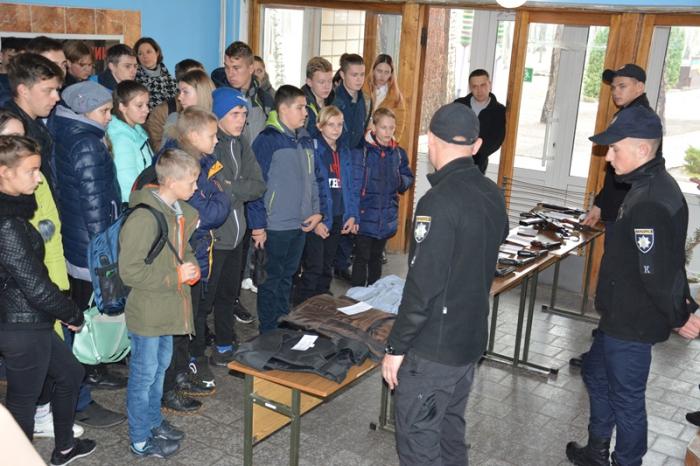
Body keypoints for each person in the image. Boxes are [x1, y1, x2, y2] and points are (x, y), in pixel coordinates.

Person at [565, 105, 700, 466]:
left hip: (633, 321)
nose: (608, 157)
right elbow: (669, 259)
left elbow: (657, 271)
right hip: (620, 315)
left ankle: (626, 461)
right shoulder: (648, 186)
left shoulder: (649, 200)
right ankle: (597, 450)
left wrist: (679, 314)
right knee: (595, 374)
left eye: (614, 149)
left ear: (642, 149)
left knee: (627, 400)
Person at [382, 103, 508, 466]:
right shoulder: (492, 192)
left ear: (430, 141)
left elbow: (422, 285)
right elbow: (497, 239)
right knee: (450, 434)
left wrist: (396, 346)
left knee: (419, 442)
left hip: (434, 349)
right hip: (469, 339)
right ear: (476, 145)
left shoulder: (436, 202)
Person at [0, 135, 97, 466]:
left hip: (31, 320)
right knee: (22, 404)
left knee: (70, 373)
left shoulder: (14, 210)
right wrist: (73, 314)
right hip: (20, 325)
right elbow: (35, 287)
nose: (39, 178)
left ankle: (65, 447)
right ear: (4, 172)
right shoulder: (6, 225)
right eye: (31, 171)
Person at [48, 81, 131, 404]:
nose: (110, 117)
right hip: (92, 243)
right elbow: (94, 202)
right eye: (104, 111)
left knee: (86, 304)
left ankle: (92, 366)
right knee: (92, 308)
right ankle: (89, 371)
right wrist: (105, 249)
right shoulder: (87, 143)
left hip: (78, 237)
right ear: (84, 109)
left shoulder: (71, 133)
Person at [119, 148, 201, 459]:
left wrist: (191, 267)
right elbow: (130, 272)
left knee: (158, 371)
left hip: (168, 308)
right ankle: (140, 438)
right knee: (144, 376)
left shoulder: (177, 212)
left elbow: (182, 250)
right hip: (148, 312)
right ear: (172, 182)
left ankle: (153, 422)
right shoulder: (144, 218)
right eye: (192, 182)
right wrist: (175, 275)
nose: (196, 187)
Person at [160, 107, 230, 413]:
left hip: (197, 253)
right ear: (192, 136)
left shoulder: (204, 162)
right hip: (182, 256)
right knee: (176, 326)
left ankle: (180, 374)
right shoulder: (178, 166)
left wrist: (220, 199)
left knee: (188, 321)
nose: (217, 141)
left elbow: (211, 209)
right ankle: (168, 388)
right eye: (212, 135)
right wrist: (223, 196)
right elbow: (209, 211)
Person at [247, 85, 322, 333]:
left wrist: (317, 211)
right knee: (270, 281)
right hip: (275, 225)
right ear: (283, 109)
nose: (305, 113)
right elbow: (256, 185)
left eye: (305, 108)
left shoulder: (306, 139)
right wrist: (258, 225)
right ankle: (268, 332)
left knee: (288, 277)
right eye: (300, 108)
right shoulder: (267, 140)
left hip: (300, 224)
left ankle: (283, 327)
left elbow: (314, 179)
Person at [206, 87, 266, 366]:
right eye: (234, 114)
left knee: (229, 295)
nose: (241, 120)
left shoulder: (242, 143)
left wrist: (232, 188)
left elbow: (258, 185)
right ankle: (195, 353)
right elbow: (213, 191)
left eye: (243, 114)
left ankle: (224, 344)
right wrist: (236, 189)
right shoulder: (211, 144)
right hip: (215, 237)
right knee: (206, 299)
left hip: (238, 235)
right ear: (218, 115)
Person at [295, 105, 359, 304]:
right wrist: (316, 219)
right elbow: (308, 188)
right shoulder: (313, 150)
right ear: (319, 126)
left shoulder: (344, 151)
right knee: (314, 265)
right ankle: (303, 305)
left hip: (338, 215)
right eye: (331, 124)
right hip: (319, 217)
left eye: (339, 124)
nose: (336, 129)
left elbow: (350, 186)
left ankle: (321, 301)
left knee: (327, 264)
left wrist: (352, 214)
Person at [351, 108, 413, 287]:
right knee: (361, 257)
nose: (388, 132)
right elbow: (353, 185)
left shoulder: (398, 153)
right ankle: (355, 296)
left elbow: (407, 178)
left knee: (376, 258)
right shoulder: (362, 152)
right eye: (383, 127)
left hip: (386, 216)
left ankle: (374, 293)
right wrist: (353, 215)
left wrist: (400, 180)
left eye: (391, 128)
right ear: (374, 127)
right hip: (364, 216)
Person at [3, 53, 62, 189]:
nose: (56, 97)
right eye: (48, 90)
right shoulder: (11, 131)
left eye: (56, 90)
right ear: (23, 90)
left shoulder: (37, 121)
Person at [210, 41, 274, 143]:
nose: (230, 73)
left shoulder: (265, 99)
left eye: (236, 68)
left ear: (251, 69)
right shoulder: (216, 98)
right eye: (227, 67)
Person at [143, 59, 205, 150]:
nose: (202, 81)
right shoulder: (163, 112)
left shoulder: (212, 107)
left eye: (202, 76)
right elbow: (156, 149)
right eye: (195, 76)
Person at [453, 69, 506, 174]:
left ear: (490, 85)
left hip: (478, 165)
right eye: (475, 86)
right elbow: (448, 129)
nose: (479, 90)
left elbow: (496, 141)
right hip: (452, 160)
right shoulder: (458, 105)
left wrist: (475, 153)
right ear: (470, 88)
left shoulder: (499, 111)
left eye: (483, 85)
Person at [107, 80, 153, 200]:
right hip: (136, 203)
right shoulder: (121, 141)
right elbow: (128, 187)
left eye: (147, 104)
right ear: (122, 107)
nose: (147, 110)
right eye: (139, 105)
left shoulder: (138, 130)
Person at [364, 54, 406, 142]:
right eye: (379, 71)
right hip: (361, 140)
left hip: (384, 143)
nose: (382, 76)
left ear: (391, 74)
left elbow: (399, 123)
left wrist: (393, 142)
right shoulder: (363, 89)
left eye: (386, 72)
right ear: (373, 70)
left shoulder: (396, 96)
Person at [332, 53, 367, 150]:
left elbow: (361, 134)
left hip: (356, 156)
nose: (359, 79)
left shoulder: (363, 99)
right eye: (354, 75)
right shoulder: (333, 101)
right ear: (342, 75)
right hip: (338, 155)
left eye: (362, 74)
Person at [134, 37, 178, 110]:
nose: (145, 56)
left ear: (157, 53)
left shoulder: (171, 80)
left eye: (148, 52)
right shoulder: (134, 81)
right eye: (140, 54)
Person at [302, 56, 334, 138]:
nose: (327, 86)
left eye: (330, 81)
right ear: (309, 82)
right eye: (321, 82)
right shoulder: (302, 106)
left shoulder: (336, 102)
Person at [0, 37, 24, 106]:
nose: (13, 61)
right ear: (1, 56)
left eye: (17, 57)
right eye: (10, 57)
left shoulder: (23, 78)